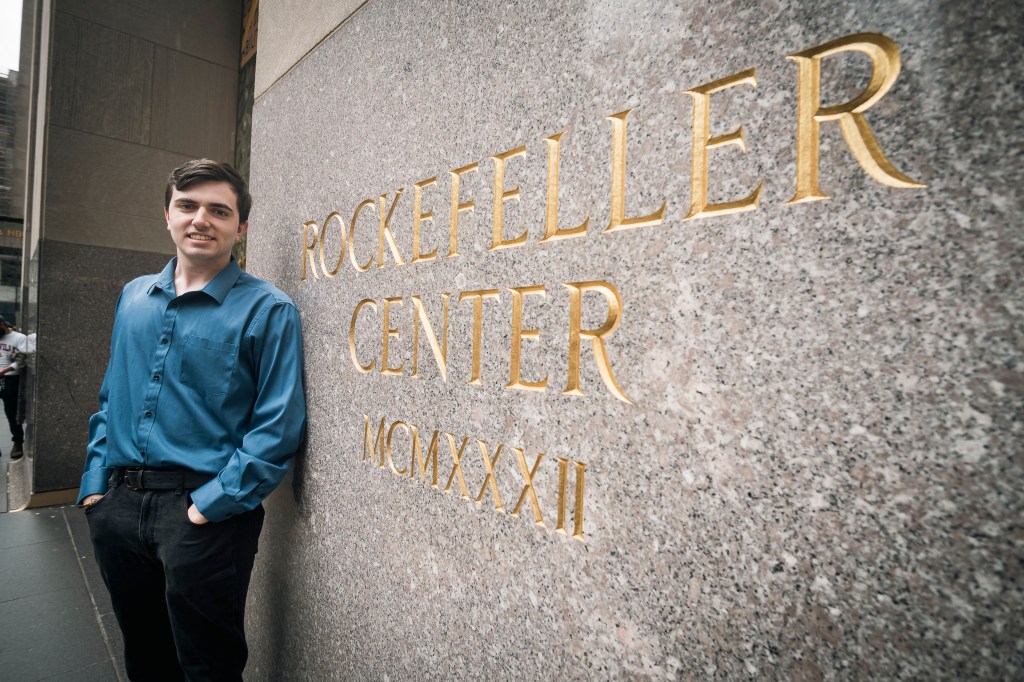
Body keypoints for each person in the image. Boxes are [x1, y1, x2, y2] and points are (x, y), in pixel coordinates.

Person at [76, 159, 306, 681]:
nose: (201, 219)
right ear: (167, 214)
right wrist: (95, 487)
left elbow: (278, 425)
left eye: (219, 210)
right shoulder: (133, 296)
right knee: (145, 653)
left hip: (205, 513)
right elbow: (113, 395)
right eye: (188, 206)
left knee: (209, 664)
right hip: (117, 507)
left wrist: (209, 506)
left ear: (240, 227)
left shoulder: (268, 309)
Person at [0, 316, 28, 459]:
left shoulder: (19, 338)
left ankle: (18, 442)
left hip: (11, 379)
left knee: (12, 413)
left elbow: (22, 360)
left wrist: (5, 370)